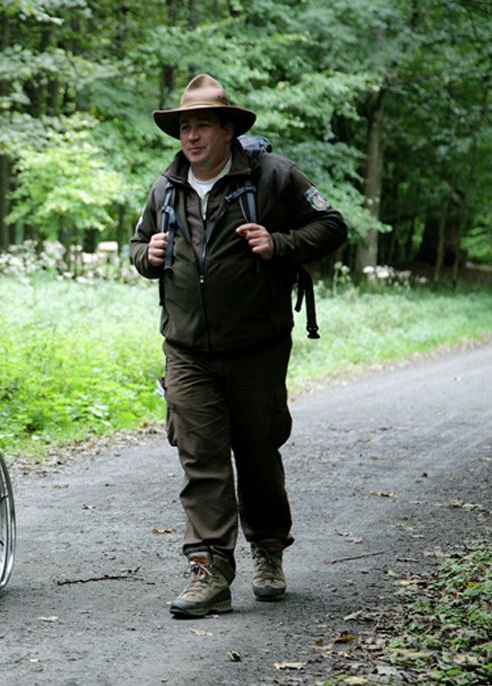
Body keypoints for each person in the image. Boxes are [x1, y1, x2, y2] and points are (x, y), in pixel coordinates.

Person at [130, 74, 347, 618]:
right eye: (185, 126)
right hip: (186, 349)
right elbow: (137, 245)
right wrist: (145, 256)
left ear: (228, 130)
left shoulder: (272, 176)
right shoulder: (165, 187)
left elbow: (331, 225)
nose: (192, 136)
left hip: (257, 347)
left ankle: (268, 549)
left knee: (256, 453)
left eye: (203, 125)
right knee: (200, 456)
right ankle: (209, 569)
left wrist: (279, 243)